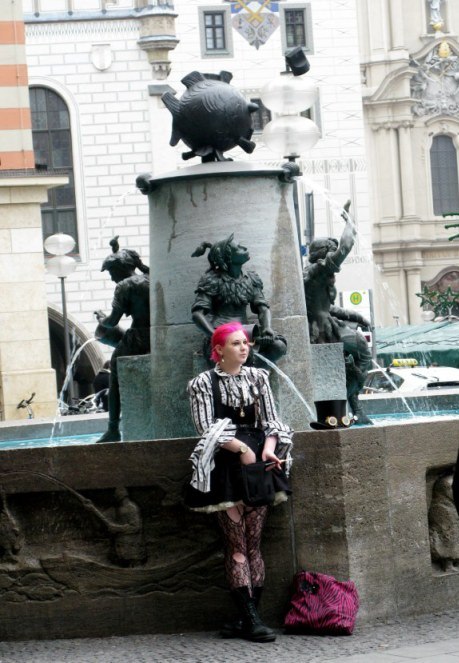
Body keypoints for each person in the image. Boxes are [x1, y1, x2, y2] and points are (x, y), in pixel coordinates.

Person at [184, 321, 293, 643]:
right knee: (237, 547)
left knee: (253, 544)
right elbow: (207, 428)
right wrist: (244, 449)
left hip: (259, 464)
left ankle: (249, 619)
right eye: (235, 343)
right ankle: (251, 619)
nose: (244, 347)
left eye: (245, 342)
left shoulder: (259, 377)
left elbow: (271, 420)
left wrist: (268, 450)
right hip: (225, 465)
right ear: (218, 351)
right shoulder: (202, 383)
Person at [191, 234, 287, 366]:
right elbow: (197, 314)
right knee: (229, 353)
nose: (245, 248)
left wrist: (267, 328)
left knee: (278, 346)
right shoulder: (212, 280)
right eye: (239, 248)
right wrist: (214, 335)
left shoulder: (251, 278)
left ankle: (253, 373)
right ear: (228, 258)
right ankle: (242, 373)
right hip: (221, 330)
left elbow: (263, 308)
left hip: (246, 332)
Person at [94, 237, 150, 443]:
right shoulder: (150, 275)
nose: (110, 278)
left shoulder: (125, 286)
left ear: (118, 269)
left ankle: (113, 429)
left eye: (110, 272)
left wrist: (102, 319)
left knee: (114, 373)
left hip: (138, 337)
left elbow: (112, 321)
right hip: (158, 335)